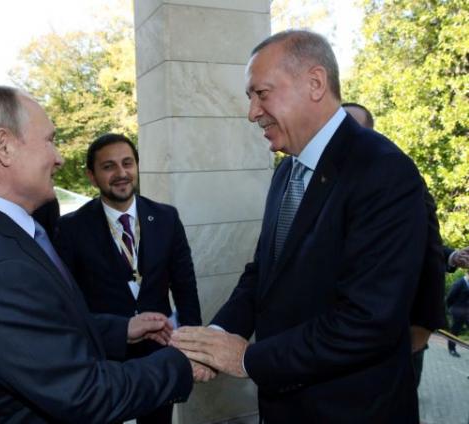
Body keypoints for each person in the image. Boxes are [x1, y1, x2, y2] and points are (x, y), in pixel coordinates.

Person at [171, 30, 428, 423]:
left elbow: (368, 320)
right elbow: (263, 275)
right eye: (250, 98)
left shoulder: (383, 171)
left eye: (262, 93)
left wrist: (247, 359)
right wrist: (218, 337)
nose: (252, 112)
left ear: (315, 83)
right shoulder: (286, 171)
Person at [0, 85, 195, 423]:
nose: (59, 158)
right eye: (49, 140)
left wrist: (121, 329)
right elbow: (84, 394)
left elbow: (43, 330)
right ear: (4, 146)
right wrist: (184, 361)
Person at [54, 133, 206, 424]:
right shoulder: (70, 228)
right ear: (92, 176)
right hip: (103, 357)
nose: (121, 173)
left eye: (127, 163)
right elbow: (68, 302)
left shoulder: (166, 217)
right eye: (108, 166)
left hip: (159, 353)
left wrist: (193, 344)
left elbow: (185, 286)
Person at [342, 101, 447, 387]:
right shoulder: (323, 181)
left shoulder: (396, 175)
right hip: (340, 337)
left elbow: (430, 252)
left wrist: (423, 327)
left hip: (397, 337)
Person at [446, 273, 469, 357]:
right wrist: (452, 309)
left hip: (466, 312)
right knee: (455, 331)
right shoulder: (459, 283)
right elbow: (450, 297)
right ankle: (451, 349)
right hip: (457, 311)